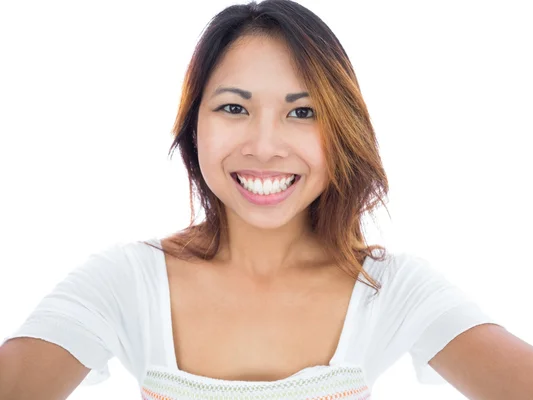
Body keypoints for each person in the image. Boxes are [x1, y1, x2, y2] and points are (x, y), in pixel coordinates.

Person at [0, 1, 504, 398]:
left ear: (344, 131)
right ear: (194, 126)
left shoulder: (392, 290)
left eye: (302, 113)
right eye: (234, 107)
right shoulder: (124, 283)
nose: (264, 146)